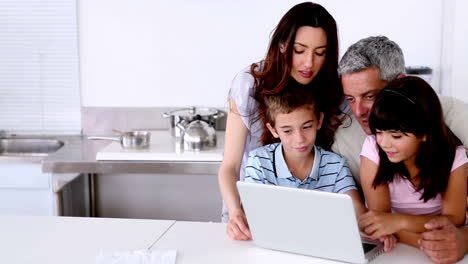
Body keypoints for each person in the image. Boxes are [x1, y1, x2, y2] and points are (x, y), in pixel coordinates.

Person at [333, 35, 468, 263]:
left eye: (370, 96)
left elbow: (453, 218)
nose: (358, 112)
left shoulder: (456, 127)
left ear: (399, 83)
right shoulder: (362, 142)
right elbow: (379, 219)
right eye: (350, 99)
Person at [218, 2, 344, 241]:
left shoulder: (333, 88)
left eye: (320, 53)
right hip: (249, 210)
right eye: (300, 50)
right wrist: (236, 212)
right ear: (283, 45)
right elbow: (230, 166)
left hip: (311, 214)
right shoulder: (249, 84)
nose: (309, 63)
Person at [358, 76, 467, 248]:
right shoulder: (373, 149)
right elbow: (379, 220)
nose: (384, 143)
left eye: (396, 136)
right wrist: (420, 241)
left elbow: (455, 219)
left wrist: (400, 221)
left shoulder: (455, 156)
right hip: (402, 246)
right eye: (379, 132)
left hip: (434, 237)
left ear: (425, 133)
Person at [244, 81, 365, 219]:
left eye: (306, 127)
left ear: (319, 120)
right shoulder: (259, 161)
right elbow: (252, 213)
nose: (299, 139)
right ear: (273, 130)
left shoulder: (335, 165)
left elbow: (356, 209)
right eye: (288, 131)